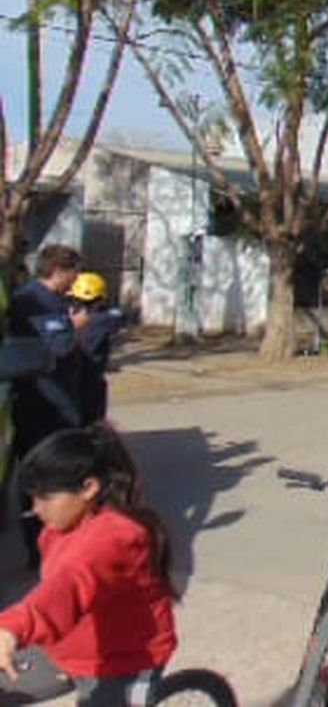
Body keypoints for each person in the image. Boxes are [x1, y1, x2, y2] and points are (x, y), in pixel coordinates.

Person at [0, 425, 176, 706]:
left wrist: (11, 627)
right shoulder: (59, 527)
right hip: (72, 649)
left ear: (88, 488)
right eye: (33, 498)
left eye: (45, 498)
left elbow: (68, 585)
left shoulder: (114, 537)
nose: (36, 508)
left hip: (123, 662)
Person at [9, 244, 89, 567]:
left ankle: (54, 544)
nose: (76, 280)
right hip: (43, 405)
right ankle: (40, 548)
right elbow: (57, 348)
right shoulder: (32, 302)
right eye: (74, 273)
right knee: (44, 476)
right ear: (59, 269)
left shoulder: (52, 301)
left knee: (57, 473)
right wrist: (76, 327)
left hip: (60, 402)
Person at [67, 274, 126, 426]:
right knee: (93, 423)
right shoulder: (103, 319)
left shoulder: (68, 316)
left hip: (69, 378)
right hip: (92, 378)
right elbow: (119, 316)